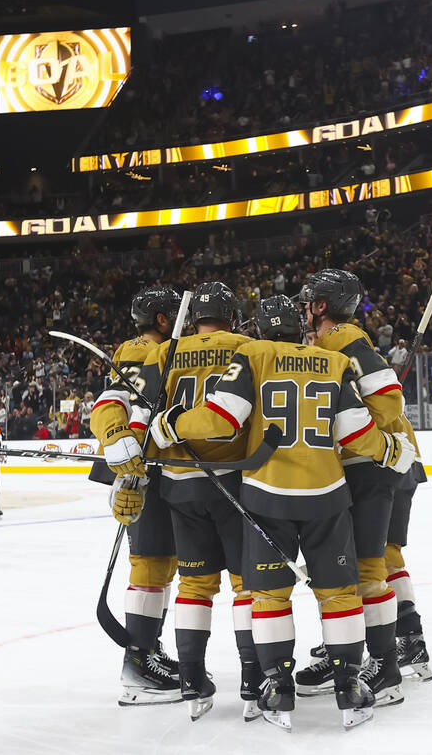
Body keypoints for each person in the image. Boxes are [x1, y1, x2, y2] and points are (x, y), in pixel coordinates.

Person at [147, 293, 416, 731]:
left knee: (270, 597)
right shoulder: (329, 362)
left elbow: (220, 419)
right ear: (300, 326)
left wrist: (171, 425)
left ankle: (277, 687)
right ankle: (349, 687)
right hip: (328, 494)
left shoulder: (252, 354)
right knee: (339, 594)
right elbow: (356, 430)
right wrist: (390, 450)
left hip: (266, 498)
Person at [125, 281, 260, 721]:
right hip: (232, 482)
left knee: (194, 586)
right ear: (232, 315)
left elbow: (138, 414)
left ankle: (191, 681)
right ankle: (252, 680)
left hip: (178, 485)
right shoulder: (247, 347)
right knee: (246, 586)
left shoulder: (166, 351)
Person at [297, 269, 419, 706]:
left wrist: (370, 442)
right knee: (342, 571)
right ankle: (344, 653)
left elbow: (388, 397)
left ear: (322, 305)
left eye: (308, 300)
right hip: (351, 470)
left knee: (368, 568)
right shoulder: (328, 342)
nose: (303, 307)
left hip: (367, 469)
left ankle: (385, 666)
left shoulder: (344, 337)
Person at [88, 287, 183, 705]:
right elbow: (127, 407)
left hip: (144, 462)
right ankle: (138, 662)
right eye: (176, 314)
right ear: (162, 319)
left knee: (162, 563)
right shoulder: (147, 350)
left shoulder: (136, 347)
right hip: (143, 465)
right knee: (150, 562)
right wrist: (125, 476)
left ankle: (148, 648)